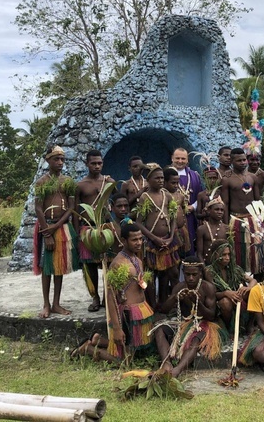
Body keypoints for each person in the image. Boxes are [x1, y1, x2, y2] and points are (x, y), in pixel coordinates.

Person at [70, 223, 156, 362]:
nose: (139, 243)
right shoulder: (117, 264)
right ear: (123, 241)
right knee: (124, 361)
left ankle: (99, 340)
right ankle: (88, 349)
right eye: (134, 240)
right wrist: (116, 328)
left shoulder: (137, 260)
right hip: (126, 314)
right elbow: (110, 297)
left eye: (141, 239)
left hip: (139, 311)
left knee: (138, 352)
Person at [153, 256, 225, 378]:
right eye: (187, 274)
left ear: (200, 274)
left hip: (204, 324)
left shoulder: (208, 287)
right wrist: (174, 298)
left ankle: (177, 370)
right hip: (184, 322)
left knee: (195, 338)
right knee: (159, 329)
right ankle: (166, 364)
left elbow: (211, 316)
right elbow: (164, 310)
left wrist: (197, 302)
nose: (190, 278)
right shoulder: (180, 287)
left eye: (194, 274)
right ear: (183, 273)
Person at [33, 146, 79, 318]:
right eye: (56, 159)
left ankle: (56, 303)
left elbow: (71, 207)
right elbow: (38, 208)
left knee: (59, 266)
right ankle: (46, 304)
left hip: (61, 228)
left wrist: (57, 226)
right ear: (48, 161)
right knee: (46, 267)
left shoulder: (67, 181)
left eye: (62, 159)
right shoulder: (41, 182)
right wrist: (47, 232)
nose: (60, 163)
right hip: (46, 228)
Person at [74, 150, 116, 312]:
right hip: (88, 228)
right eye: (93, 163)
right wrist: (78, 234)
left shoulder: (109, 181)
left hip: (105, 228)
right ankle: (95, 297)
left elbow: (120, 200)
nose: (97, 166)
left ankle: (107, 296)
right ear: (87, 164)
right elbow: (76, 211)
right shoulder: (80, 185)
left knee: (108, 263)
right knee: (89, 265)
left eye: (99, 163)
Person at [135, 163, 181, 305]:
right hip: (152, 243)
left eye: (162, 178)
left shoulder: (167, 195)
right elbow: (139, 223)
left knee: (166, 273)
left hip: (168, 241)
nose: (161, 180)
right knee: (150, 274)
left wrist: (171, 237)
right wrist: (154, 238)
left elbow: (173, 218)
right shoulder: (144, 197)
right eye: (157, 178)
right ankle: (151, 305)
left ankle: (163, 303)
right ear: (149, 180)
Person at [220, 148, 260, 274]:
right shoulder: (227, 179)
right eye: (239, 160)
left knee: (254, 251)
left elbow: (257, 201)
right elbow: (225, 203)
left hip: (252, 220)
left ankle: (254, 279)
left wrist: (260, 220)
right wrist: (226, 225)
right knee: (237, 251)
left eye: (244, 160)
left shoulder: (253, 177)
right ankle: (238, 277)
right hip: (235, 220)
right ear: (232, 161)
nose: (243, 162)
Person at [205, 240, 257, 329]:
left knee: (255, 291)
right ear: (215, 254)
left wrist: (248, 287)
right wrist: (226, 293)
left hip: (237, 297)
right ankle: (228, 327)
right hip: (220, 303)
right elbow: (212, 294)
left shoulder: (234, 269)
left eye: (229, 254)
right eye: (224, 255)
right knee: (225, 302)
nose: (227, 258)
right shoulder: (209, 271)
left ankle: (249, 324)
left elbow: (253, 280)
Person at [170, 148, 204, 252]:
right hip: (172, 219)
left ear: (187, 160)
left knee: (190, 248)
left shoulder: (194, 175)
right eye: (177, 158)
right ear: (172, 158)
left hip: (190, 217)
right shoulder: (165, 175)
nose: (180, 161)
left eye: (183, 158)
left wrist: (193, 207)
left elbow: (201, 195)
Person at [164, 166, 191, 257]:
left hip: (182, 230)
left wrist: (186, 229)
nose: (176, 185)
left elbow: (183, 213)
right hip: (170, 233)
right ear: (165, 182)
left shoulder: (180, 196)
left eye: (177, 183)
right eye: (173, 183)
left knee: (182, 255)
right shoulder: (163, 196)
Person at [195, 197, 228, 263]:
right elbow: (199, 254)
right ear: (209, 210)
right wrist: (205, 269)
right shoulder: (202, 229)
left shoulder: (227, 228)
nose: (220, 212)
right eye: (217, 209)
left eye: (222, 210)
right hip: (207, 265)